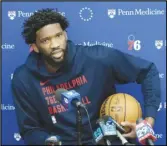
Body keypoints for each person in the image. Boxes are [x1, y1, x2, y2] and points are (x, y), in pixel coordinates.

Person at [11, 8, 161, 145]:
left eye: (58, 35)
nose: (55, 44)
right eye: (45, 40)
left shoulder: (97, 58)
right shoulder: (23, 79)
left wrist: (148, 122)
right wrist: (46, 141)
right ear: (35, 47)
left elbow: (148, 71)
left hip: (108, 139)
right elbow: (29, 129)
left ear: (65, 35)